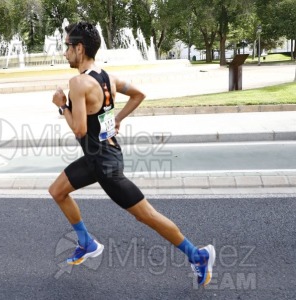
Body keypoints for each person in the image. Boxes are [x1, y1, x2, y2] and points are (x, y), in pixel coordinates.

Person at [49, 21, 215, 286]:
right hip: (100, 157)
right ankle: (86, 242)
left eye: (67, 46)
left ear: (79, 49)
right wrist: (118, 120)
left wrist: (61, 106)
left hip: (105, 165)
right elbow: (138, 94)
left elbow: (79, 130)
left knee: (145, 215)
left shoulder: (78, 83)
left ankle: (197, 255)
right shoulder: (107, 77)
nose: (64, 52)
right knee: (57, 190)